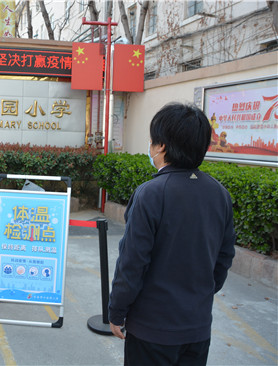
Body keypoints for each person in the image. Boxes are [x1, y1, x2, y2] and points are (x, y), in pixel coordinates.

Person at [108, 102, 236, 365]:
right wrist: (198, 295)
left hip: (151, 331)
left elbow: (132, 264)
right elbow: (224, 257)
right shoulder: (219, 194)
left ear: (162, 146)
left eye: (153, 141)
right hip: (197, 329)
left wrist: (116, 312)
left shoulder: (151, 193)